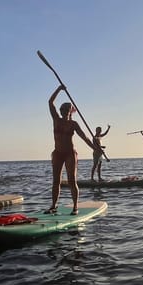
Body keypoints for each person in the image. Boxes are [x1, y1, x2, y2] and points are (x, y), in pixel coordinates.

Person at [47, 85, 97, 215]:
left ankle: (75, 207)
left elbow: (85, 138)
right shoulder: (56, 120)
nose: (64, 111)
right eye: (62, 109)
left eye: (67, 109)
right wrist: (59, 89)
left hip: (69, 154)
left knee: (71, 181)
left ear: (70, 111)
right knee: (56, 181)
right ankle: (53, 205)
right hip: (57, 153)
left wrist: (95, 148)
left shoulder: (73, 124)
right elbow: (50, 102)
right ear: (61, 110)